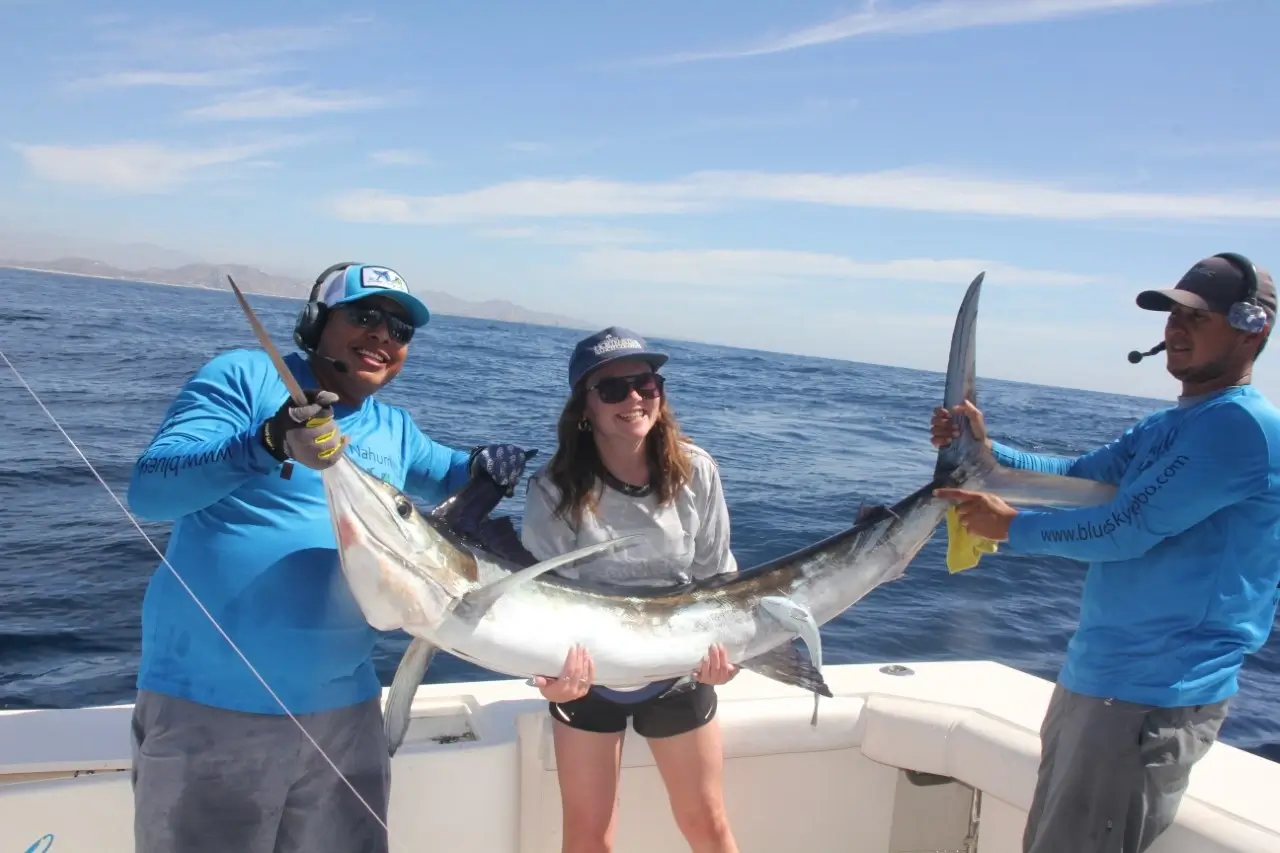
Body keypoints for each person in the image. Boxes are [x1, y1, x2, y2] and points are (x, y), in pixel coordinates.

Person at [125, 262, 530, 853]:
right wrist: (265, 443)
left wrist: (483, 463)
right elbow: (151, 489)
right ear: (315, 323)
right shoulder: (245, 376)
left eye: (399, 330)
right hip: (214, 708)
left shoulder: (393, 427)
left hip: (348, 715)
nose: (382, 336)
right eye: (364, 316)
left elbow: (443, 471)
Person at [930, 253, 1280, 853]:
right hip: (1098, 678)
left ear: (1254, 328)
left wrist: (1012, 528)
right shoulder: (1168, 426)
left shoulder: (1240, 429)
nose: (1175, 328)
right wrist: (986, 451)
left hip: (1150, 694)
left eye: (1197, 317)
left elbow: (1126, 529)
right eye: (1172, 314)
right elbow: (1077, 477)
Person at [519, 327, 741, 853]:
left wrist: (729, 653)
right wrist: (551, 682)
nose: (634, 398)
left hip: (678, 671)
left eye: (645, 383)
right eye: (612, 389)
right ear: (584, 407)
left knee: (707, 823)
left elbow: (720, 580)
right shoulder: (553, 488)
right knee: (588, 835)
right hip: (587, 680)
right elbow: (538, 601)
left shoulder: (698, 472)